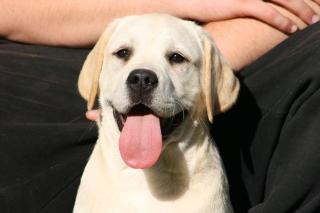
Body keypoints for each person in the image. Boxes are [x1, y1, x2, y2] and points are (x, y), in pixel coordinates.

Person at [0, 0, 319, 212]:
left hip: (247, 51)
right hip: (46, 55)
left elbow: (305, 8)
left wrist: (197, 70)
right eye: (124, 53)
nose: (143, 76)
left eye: (175, 58)